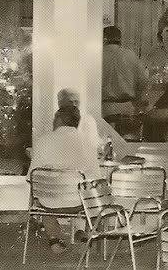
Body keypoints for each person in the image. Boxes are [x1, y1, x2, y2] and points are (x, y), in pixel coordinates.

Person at [28, 106, 100, 253]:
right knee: (87, 191)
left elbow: (32, 177)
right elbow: (95, 179)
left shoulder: (44, 140)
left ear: (59, 119)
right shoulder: (87, 142)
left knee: (42, 197)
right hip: (79, 203)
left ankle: (54, 239)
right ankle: (83, 231)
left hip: (49, 201)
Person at [102, 25, 148, 132]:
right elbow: (143, 81)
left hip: (104, 110)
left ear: (104, 38)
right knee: (128, 145)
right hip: (128, 109)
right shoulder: (131, 55)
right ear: (120, 39)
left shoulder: (97, 56)